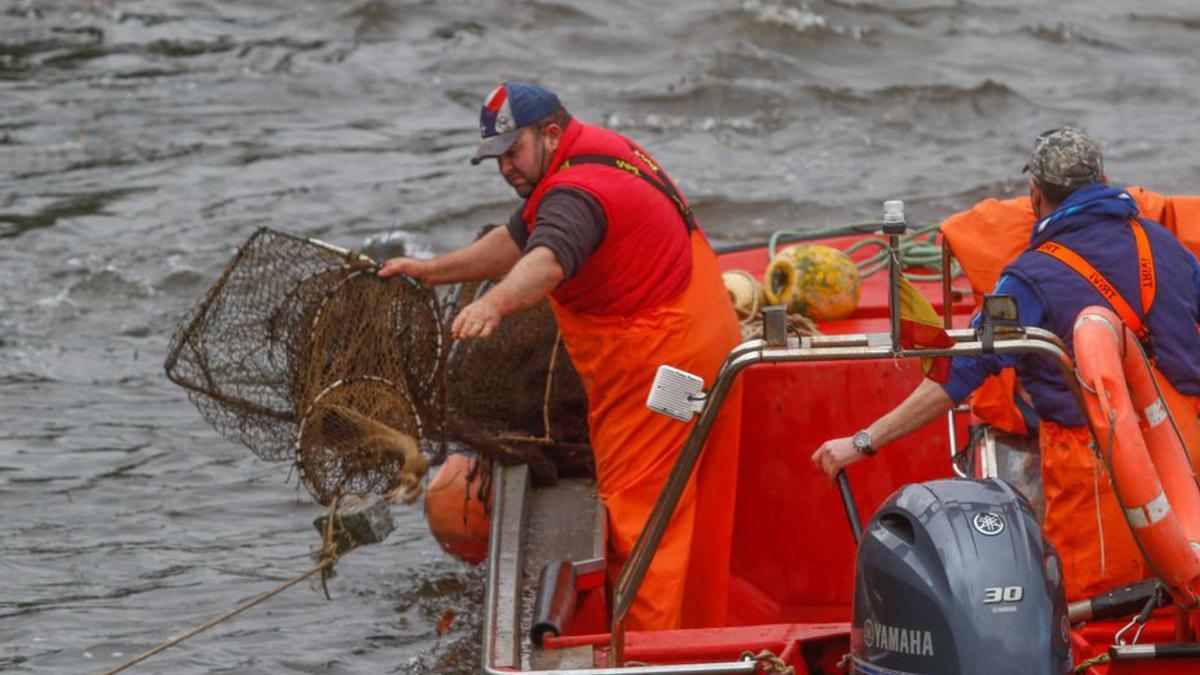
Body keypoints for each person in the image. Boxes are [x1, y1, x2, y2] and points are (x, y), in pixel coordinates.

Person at [379, 82, 743, 630]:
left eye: (512, 151)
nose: (505, 167)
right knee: (687, 495)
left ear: (549, 134)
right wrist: (433, 271)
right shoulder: (587, 152)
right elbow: (519, 240)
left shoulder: (576, 194)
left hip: (664, 368)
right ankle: (699, 626)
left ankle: (647, 653)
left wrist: (496, 304)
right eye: (496, 157)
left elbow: (547, 260)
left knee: (640, 509)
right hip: (697, 340)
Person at [811, 128, 1200, 603]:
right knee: (1184, 598)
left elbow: (957, 377)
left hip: (1098, 481)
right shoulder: (1165, 245)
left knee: (1100, 614)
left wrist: (862, 441)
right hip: (1185, 455)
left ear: (1035, 196)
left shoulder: (1028, 278)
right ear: (1106, 180)